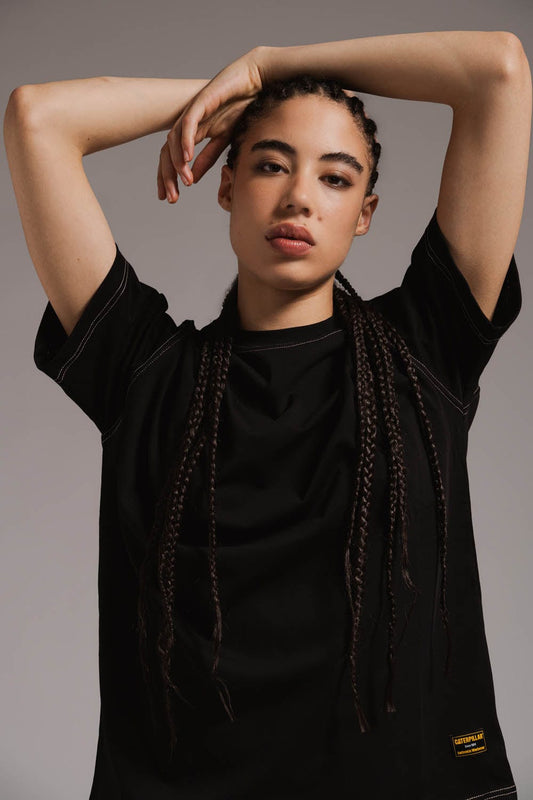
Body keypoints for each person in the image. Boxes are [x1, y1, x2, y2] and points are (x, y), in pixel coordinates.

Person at [4, 32, 530, 800]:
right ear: (226, 184)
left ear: (364, 213)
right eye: (270, 163)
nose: (298, 197)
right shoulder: (146, 373)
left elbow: (498, 70)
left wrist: (269, 66)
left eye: (335, 177)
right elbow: (38, 118)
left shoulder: (426, 349)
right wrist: (232, 99)